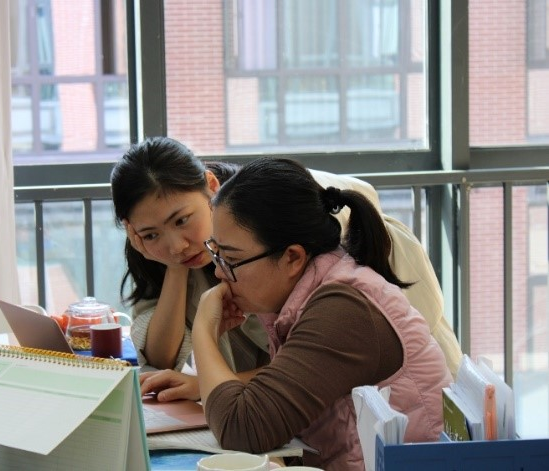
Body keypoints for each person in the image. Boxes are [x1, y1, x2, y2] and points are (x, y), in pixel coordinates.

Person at [192, 157, 452, 470]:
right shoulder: (312, 293)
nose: (219, 273)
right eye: (216, 253)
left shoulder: (344, 311)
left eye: (231, 259)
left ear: (292, 257)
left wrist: (203, 330)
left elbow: (243, 428)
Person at [110, 136, 271, 401]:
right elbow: (161, 358)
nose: (176, 246)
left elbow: (312, 363)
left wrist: (208, 385)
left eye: (181, 220)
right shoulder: (155, 254)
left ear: (212, 186)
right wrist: (175, 268)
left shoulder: (267, 223)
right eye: (151, 234)